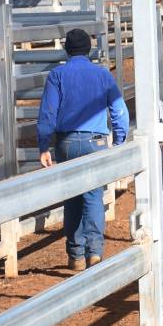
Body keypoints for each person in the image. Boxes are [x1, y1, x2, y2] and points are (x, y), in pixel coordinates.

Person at [36, 28, 129, 271]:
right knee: (93, 196)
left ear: (67, 49)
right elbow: (119, 110)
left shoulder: (57, 75)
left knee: (72, 197)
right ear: (89, 50)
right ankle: (94, 252)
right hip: (95, 142)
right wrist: (119, 141)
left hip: (66, 142)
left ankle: (75, 254)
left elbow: (48, 112)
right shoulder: (101, 75)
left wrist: (44, 145)